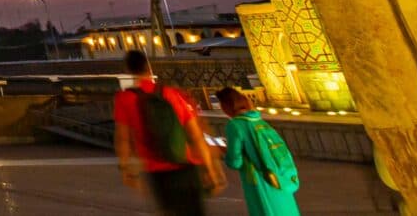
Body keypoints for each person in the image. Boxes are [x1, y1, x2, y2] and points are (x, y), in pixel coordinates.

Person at [113, 49, 222, 214]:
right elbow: (196, 135)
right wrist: (210, 169)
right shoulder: (172, 93)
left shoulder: (125, 99)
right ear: (148, 68)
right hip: (186, 166)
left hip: (158, 173)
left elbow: (123, 139)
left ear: (128, 71)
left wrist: (125, 169)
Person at [218, 88, 303, 215]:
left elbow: (235, 162)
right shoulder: (259, 121)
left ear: (226, 106)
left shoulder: (235, 125)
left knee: (266, 210)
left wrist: (222, 150)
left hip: (259, 179)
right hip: (279, 177)